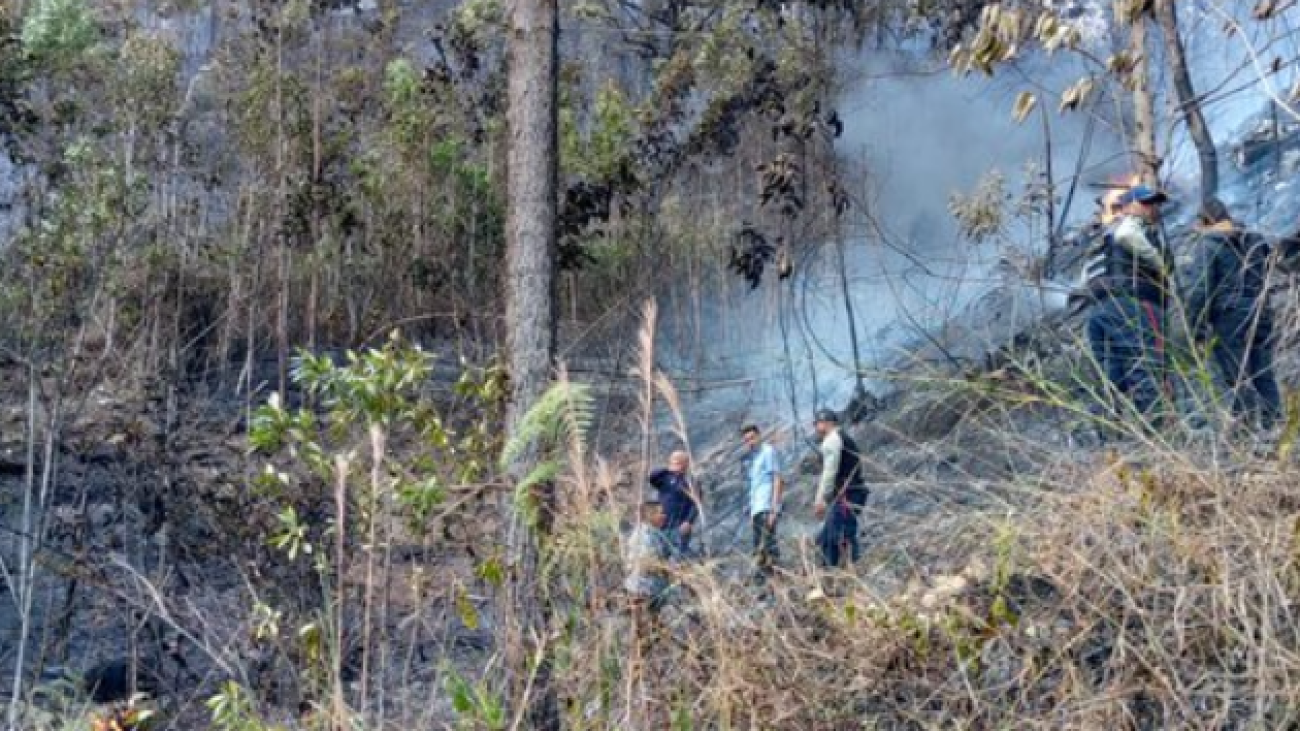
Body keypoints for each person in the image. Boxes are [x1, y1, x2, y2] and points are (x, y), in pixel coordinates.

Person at [1182, 197, 1282, 428]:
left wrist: (1194, 329)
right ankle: (1273, 430)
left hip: (1230, 317)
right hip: (1262, 312)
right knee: (1264, 375)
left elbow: (1200, 290)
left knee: (1237, 378)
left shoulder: (1208, 244)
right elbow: (1268, 274)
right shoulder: (1255, 240)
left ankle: (1247, 434)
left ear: (1205, 221)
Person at [1080, 183, 1174, 421]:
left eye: (1155, 203)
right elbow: (1127, 235)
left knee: (1112, 378)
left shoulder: (1100, 237)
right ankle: (1157, 438)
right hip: (1133, 304)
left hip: (1099, 311)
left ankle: (1110, 440)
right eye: (1146, 203)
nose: (1153, 209)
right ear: (1129, 206)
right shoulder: (1130, 226)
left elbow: (1084, 280)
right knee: (1148, 368)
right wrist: (1159, 263)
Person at [812, 409, 868, 568]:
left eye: (818, 423)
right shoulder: (842, 438)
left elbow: (829, 472)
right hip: (852, 493)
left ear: (828, 423)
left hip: (847, 495)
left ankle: (837, 574)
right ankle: (846, 571)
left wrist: (822, 499)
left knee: (835, 537)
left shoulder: (832, 440)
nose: (816, 427)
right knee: (834, 535)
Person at [741, 425, 782, 581]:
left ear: (759, 436)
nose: (750, 442)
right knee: (759, 543)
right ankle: (766, 579)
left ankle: (772, 579)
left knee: (767, 543)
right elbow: (754, 487)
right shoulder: (753, 458)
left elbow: (777, 478)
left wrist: (774, 508)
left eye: (752, 438)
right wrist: (752, 511)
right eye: (746, 440)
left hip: (766, 505)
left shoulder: (768, 451)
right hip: (757, 508)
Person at [624, 498, 675, 612]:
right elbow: (645, 563)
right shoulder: (644, 536)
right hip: (642, 591)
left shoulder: (655, 533)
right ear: (650, 516)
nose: (664, 516)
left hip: (651, 589)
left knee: (651, 625)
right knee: (644, 624)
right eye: (660, 513)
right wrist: (668, 568)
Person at [648, 451, 700, 555]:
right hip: (662, 525)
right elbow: (652, 476)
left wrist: (688, 521)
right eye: (675, 461)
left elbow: (696, 504)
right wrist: (668, 469)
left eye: (681, 462)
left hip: (680, 526)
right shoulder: (664, 478)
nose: (677, 465)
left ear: (686, 464)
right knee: (660, 556)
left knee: (679, 556)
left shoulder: (691, 481)